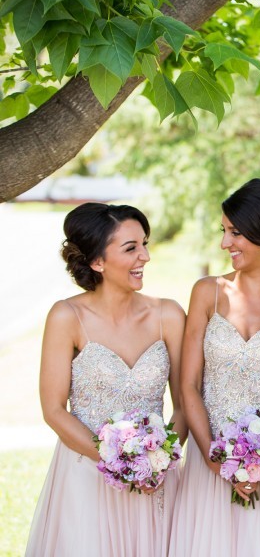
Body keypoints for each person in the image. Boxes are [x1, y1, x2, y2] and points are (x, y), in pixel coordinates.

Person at [26, 203, 186, 557]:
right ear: (97, 262)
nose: (144, 256)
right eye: (131, 248)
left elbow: (185, 401)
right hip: (87, 476)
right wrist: (118, 462)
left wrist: (158, 460)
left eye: (144, 244)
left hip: (156, 480)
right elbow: (54, 409)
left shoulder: (169, 314)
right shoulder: (67, 316)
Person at [169, 179, 260, 556]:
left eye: (235, 232)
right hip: (210, 462)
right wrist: (218, 461)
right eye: (224, 231)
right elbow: (189, 386)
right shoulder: (208, 292)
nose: (224, 243)